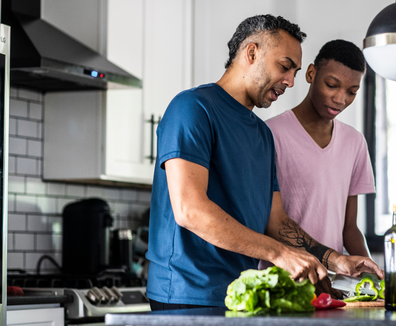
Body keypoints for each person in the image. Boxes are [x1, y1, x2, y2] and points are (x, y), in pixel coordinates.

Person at [146, 15, 382, 311]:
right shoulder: (192, 108)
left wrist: (334, 259)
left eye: (295, 71)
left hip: (244, 295)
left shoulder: (261, 134)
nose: (290, 81)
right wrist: (281, 255)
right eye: (284, 67)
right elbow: (190, 210)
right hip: (185, 296)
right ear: (252, 53)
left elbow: (278, 221)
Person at [261, 40, 375, 267]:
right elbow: (268, 221)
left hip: (334, 285)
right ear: (311, 73)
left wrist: (373, 274)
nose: (341, 99)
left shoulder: (354, 142)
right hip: (282, 282)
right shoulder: (269, 134)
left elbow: (349, 228)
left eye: (352, 92)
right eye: (332, 85)